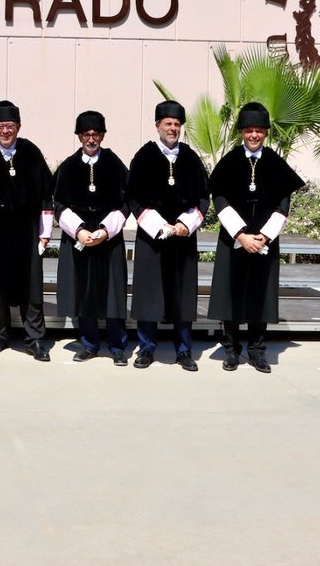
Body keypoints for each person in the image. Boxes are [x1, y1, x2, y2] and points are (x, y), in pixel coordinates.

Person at [208, 102, 306, 373]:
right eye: (249, 130)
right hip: (234, 240)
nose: (254, 135)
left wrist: (263, 236)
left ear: (266, 133)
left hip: (264, 242)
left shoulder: (274, 162)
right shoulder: (229, 161)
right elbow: (220, 199)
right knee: (232, 294)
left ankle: (256, 350)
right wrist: (241, 235)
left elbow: (283, 202)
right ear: (241, 132)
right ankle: (231, 349)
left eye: (259, 130)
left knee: (259, 295)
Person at [0, 100, 54, 361]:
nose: (5, 131)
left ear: (19, 126)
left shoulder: (31, 153)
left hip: (26, 229)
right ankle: (0, 334)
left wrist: (45, 232)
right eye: (1, 126)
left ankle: (34, 338)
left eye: (10, 126)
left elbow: (46, 195)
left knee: (30, 285)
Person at [127, 101, 211, 371]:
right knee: (149, 292)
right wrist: (158, 225)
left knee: (182, 295)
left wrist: (187, 224)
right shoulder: (144, 157)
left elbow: (202, 197)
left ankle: (184, 349)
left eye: (176, 124)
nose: (172, 128)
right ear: (157, 126)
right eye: (168, 124)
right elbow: (133, 198)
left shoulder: (191, 158)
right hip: (153, 237)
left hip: (183, 237)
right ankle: (147, 348)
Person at [53, 111, 130, 364]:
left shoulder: (115, 164)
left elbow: (127, 202)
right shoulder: (67, 167)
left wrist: (107, 231)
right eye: (86, 134)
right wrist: (79, 231)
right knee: (85, 292)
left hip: (109, 236)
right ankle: (89, 343)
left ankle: (117, 345)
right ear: (79, 136)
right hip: (81, 237)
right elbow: (59, 205)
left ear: (103, 135)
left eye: (96, 133)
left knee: (113, 292)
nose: (91, 138)